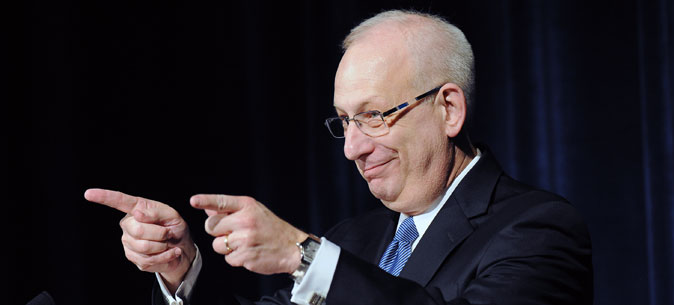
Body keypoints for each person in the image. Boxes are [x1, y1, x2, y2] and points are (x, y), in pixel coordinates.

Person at [85, 10, 593, 305]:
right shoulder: (355, 239)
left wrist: (303, 256)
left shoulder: (540, 230)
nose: (352, 148)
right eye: (345, 121)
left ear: (448, 109)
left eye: (374, 115)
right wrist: (182, 269)